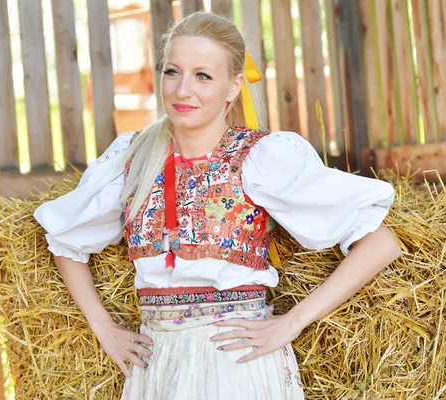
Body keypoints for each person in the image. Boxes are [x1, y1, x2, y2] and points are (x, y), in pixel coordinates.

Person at [34, 11, 401, 399]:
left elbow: (380, 242)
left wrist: (291, 323)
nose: (181, 91)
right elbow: (65, 240)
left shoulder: (260, 158)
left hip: (237, 366)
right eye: (172, 72)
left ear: (232, 87)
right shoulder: (133, 157)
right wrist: (103, 327)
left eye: (202, 76)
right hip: (158, 365)